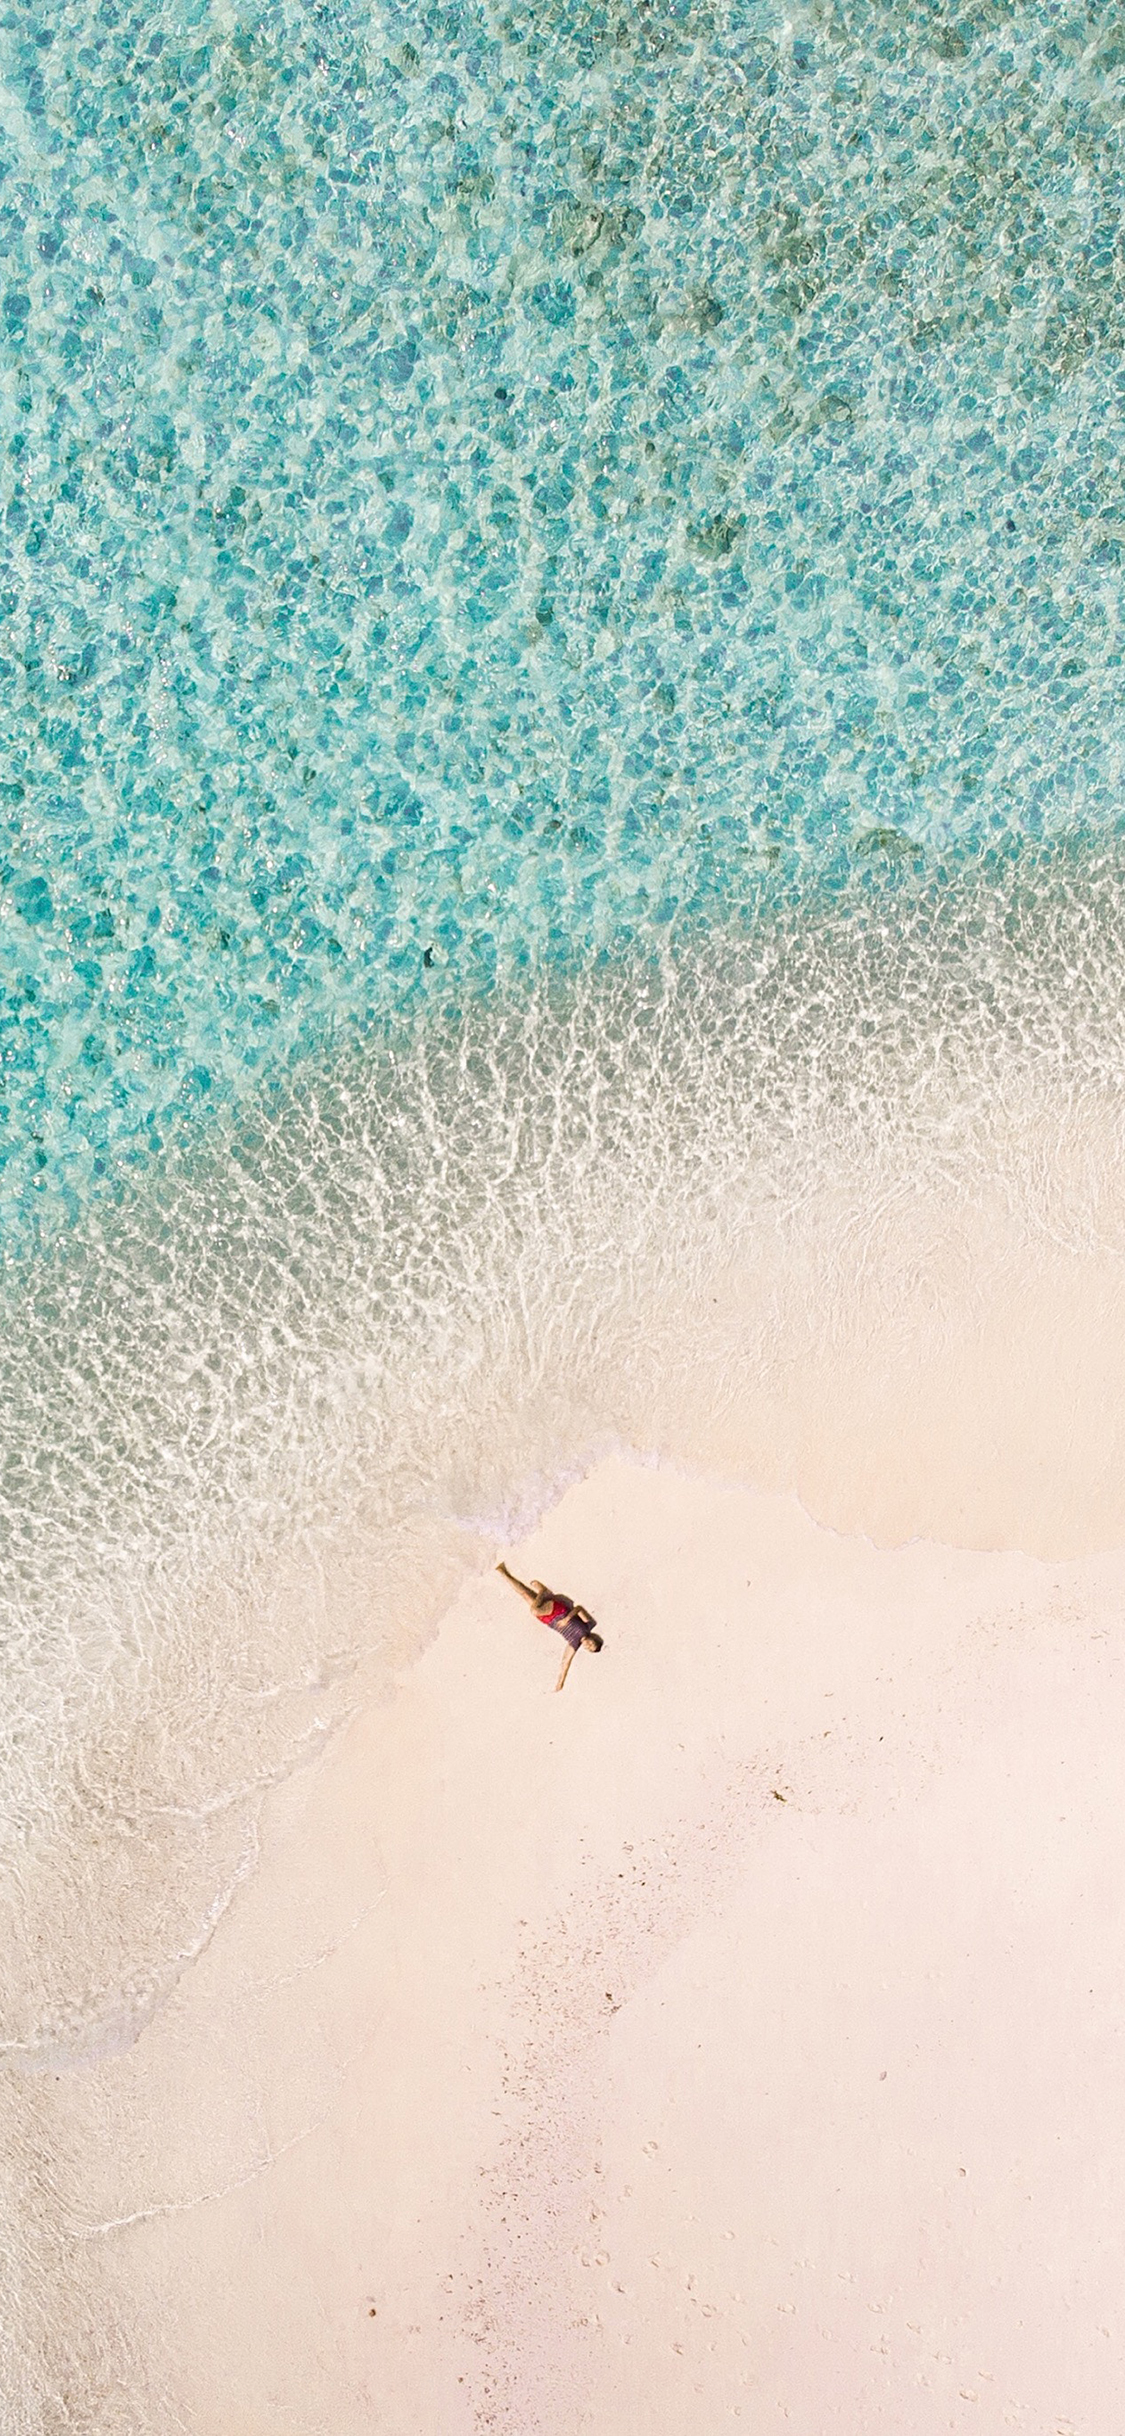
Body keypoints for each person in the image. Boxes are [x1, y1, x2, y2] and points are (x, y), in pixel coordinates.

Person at [496, 1559, 604, 1692]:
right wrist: (567, 1619)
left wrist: (560, 1682)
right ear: (594, 1638)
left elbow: (566, 1662)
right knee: (534, 1610)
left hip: (549, 1621)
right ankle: (544, 1591)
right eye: (592, 1644)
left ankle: (503, 1571)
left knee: (525, 1593)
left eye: (589, 1648)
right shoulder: (589, 1626)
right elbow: (579, 1609)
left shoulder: (575, 1643)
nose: (588, 1645)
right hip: (559, 1611)